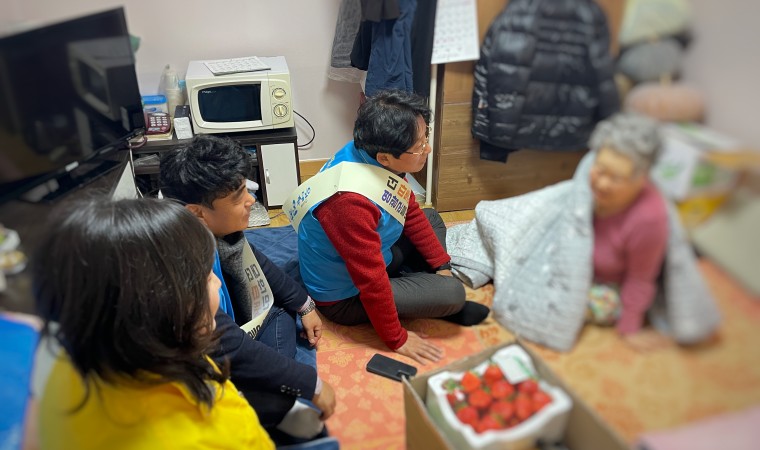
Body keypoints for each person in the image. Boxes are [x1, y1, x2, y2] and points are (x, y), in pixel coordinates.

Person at [31, 197, 274, 450]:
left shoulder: (90, 351)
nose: (218, 283)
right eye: (207, 276)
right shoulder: (185, 440)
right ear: (164, 306)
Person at [289, 89, 490, 364]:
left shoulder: (367, 153)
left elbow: (408, 206)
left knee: (430, 217)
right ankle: (421, 292)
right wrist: (397, 338)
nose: (427, 149)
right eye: (419, 146)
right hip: (345, 296)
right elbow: (370, 280)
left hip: (372, 253)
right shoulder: (348, 204)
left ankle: (419, 286)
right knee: (453, 294)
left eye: (425, 138)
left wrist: (442, 266)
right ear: (385, 157)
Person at [159, 135, 335, 443]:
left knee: (277, 310)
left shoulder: (204, 228)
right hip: (200, 367)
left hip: (226, 334)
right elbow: (224, 344)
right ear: (197, 212)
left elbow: (256, 262)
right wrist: (310, 383)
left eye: (246, 188)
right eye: (238, 196)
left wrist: (304, 304)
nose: (251, 200)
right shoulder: (178, 262)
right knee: (296, 414)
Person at [586, 112, 670, 351]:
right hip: (578, 263)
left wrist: (630, 327)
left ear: (641, 178)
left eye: (616, 178)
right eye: (600, 170)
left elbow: (641, 278)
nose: (602, 183)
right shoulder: (586, 175)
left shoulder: (650, 218)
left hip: (607, 285)